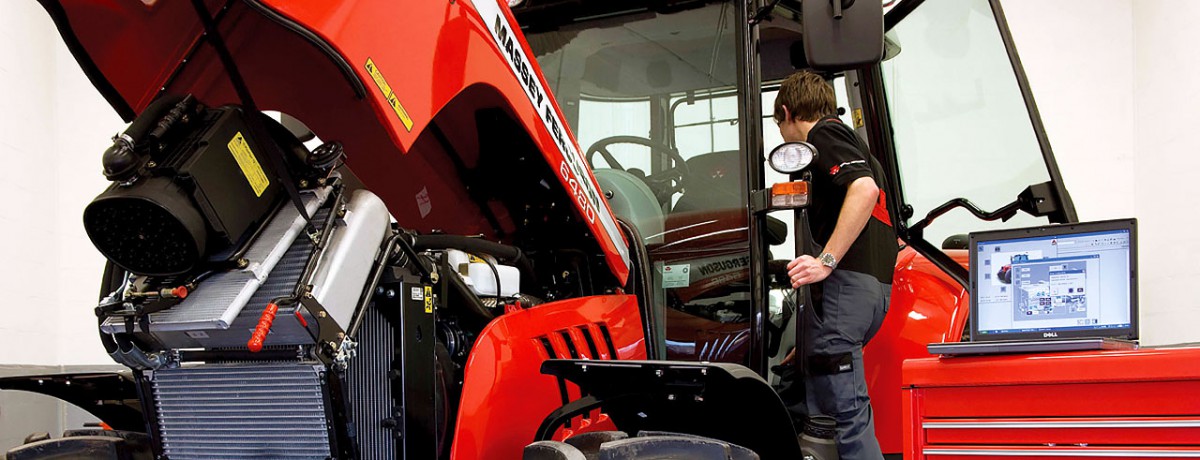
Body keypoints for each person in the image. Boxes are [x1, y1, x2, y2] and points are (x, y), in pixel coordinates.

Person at [775, 71, 896, 460]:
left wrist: (825, 261)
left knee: (845, 420)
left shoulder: (824, 136)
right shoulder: (859, 146)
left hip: (845, 291)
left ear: (786, 112)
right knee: (816, 405)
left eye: (778, 123)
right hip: (868, 295)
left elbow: (864, 190)